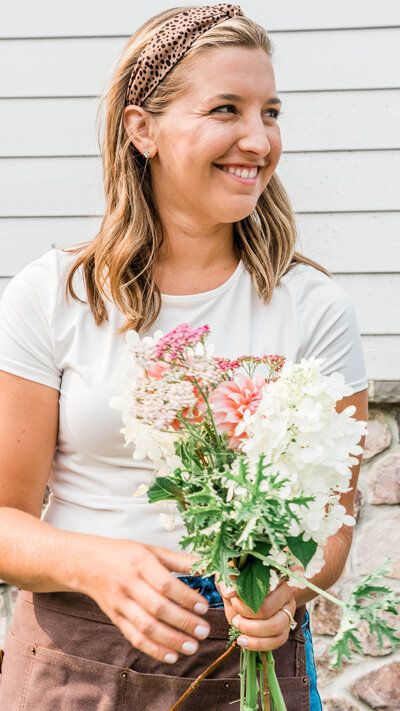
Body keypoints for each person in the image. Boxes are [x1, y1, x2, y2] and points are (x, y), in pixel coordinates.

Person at [0, 4, 368, 710]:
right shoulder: (52, 295)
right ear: (143, 129)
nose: (258, 139)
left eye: (271, 111)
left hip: (249, 665)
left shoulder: (314, 307)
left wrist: (284, 586)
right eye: (227, 109)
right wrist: (96, 562)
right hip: (75, 662)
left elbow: (334, 524)